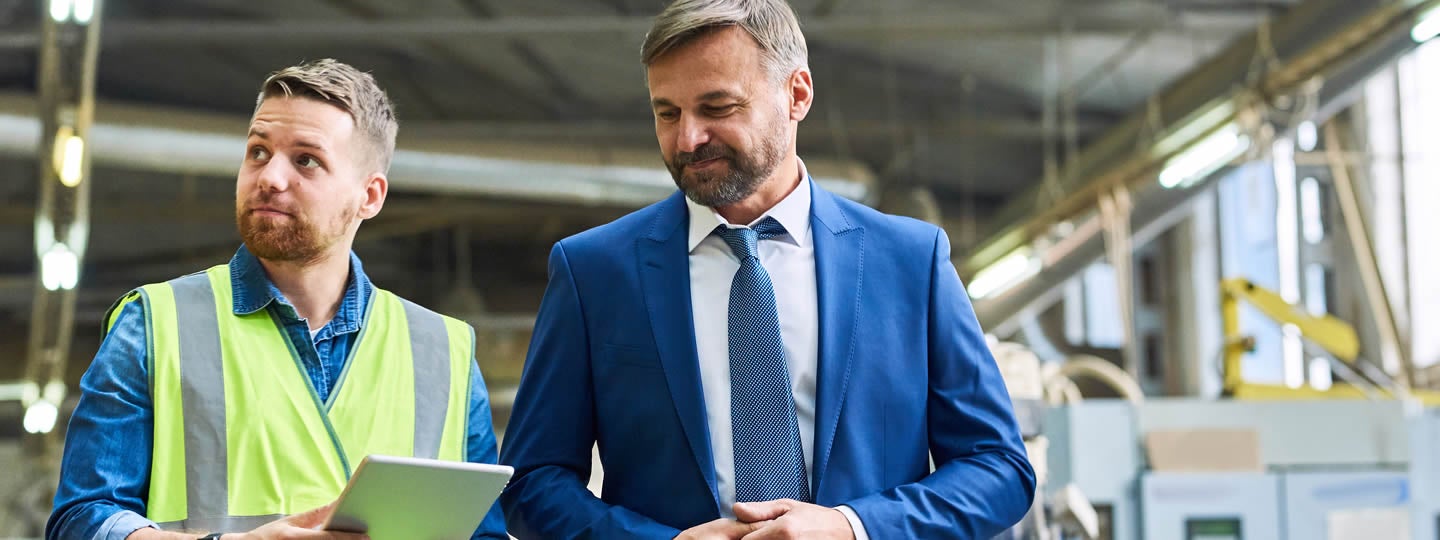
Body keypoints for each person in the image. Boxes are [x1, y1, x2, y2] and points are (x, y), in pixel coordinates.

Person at [498, 1, 1035, 538]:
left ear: (797, 94)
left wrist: (854, 528)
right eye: (667, 113)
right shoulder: (594, 271)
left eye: (717, 107)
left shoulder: (910, 261)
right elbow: (530, 481)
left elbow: (998, 468)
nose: (687, 139)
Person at [47, 59, 507, 540]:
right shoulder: (154, 325)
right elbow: (83, 522)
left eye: (306, 159)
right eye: (258, 152)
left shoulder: (445, 354)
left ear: (369, 197)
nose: (269, 177)